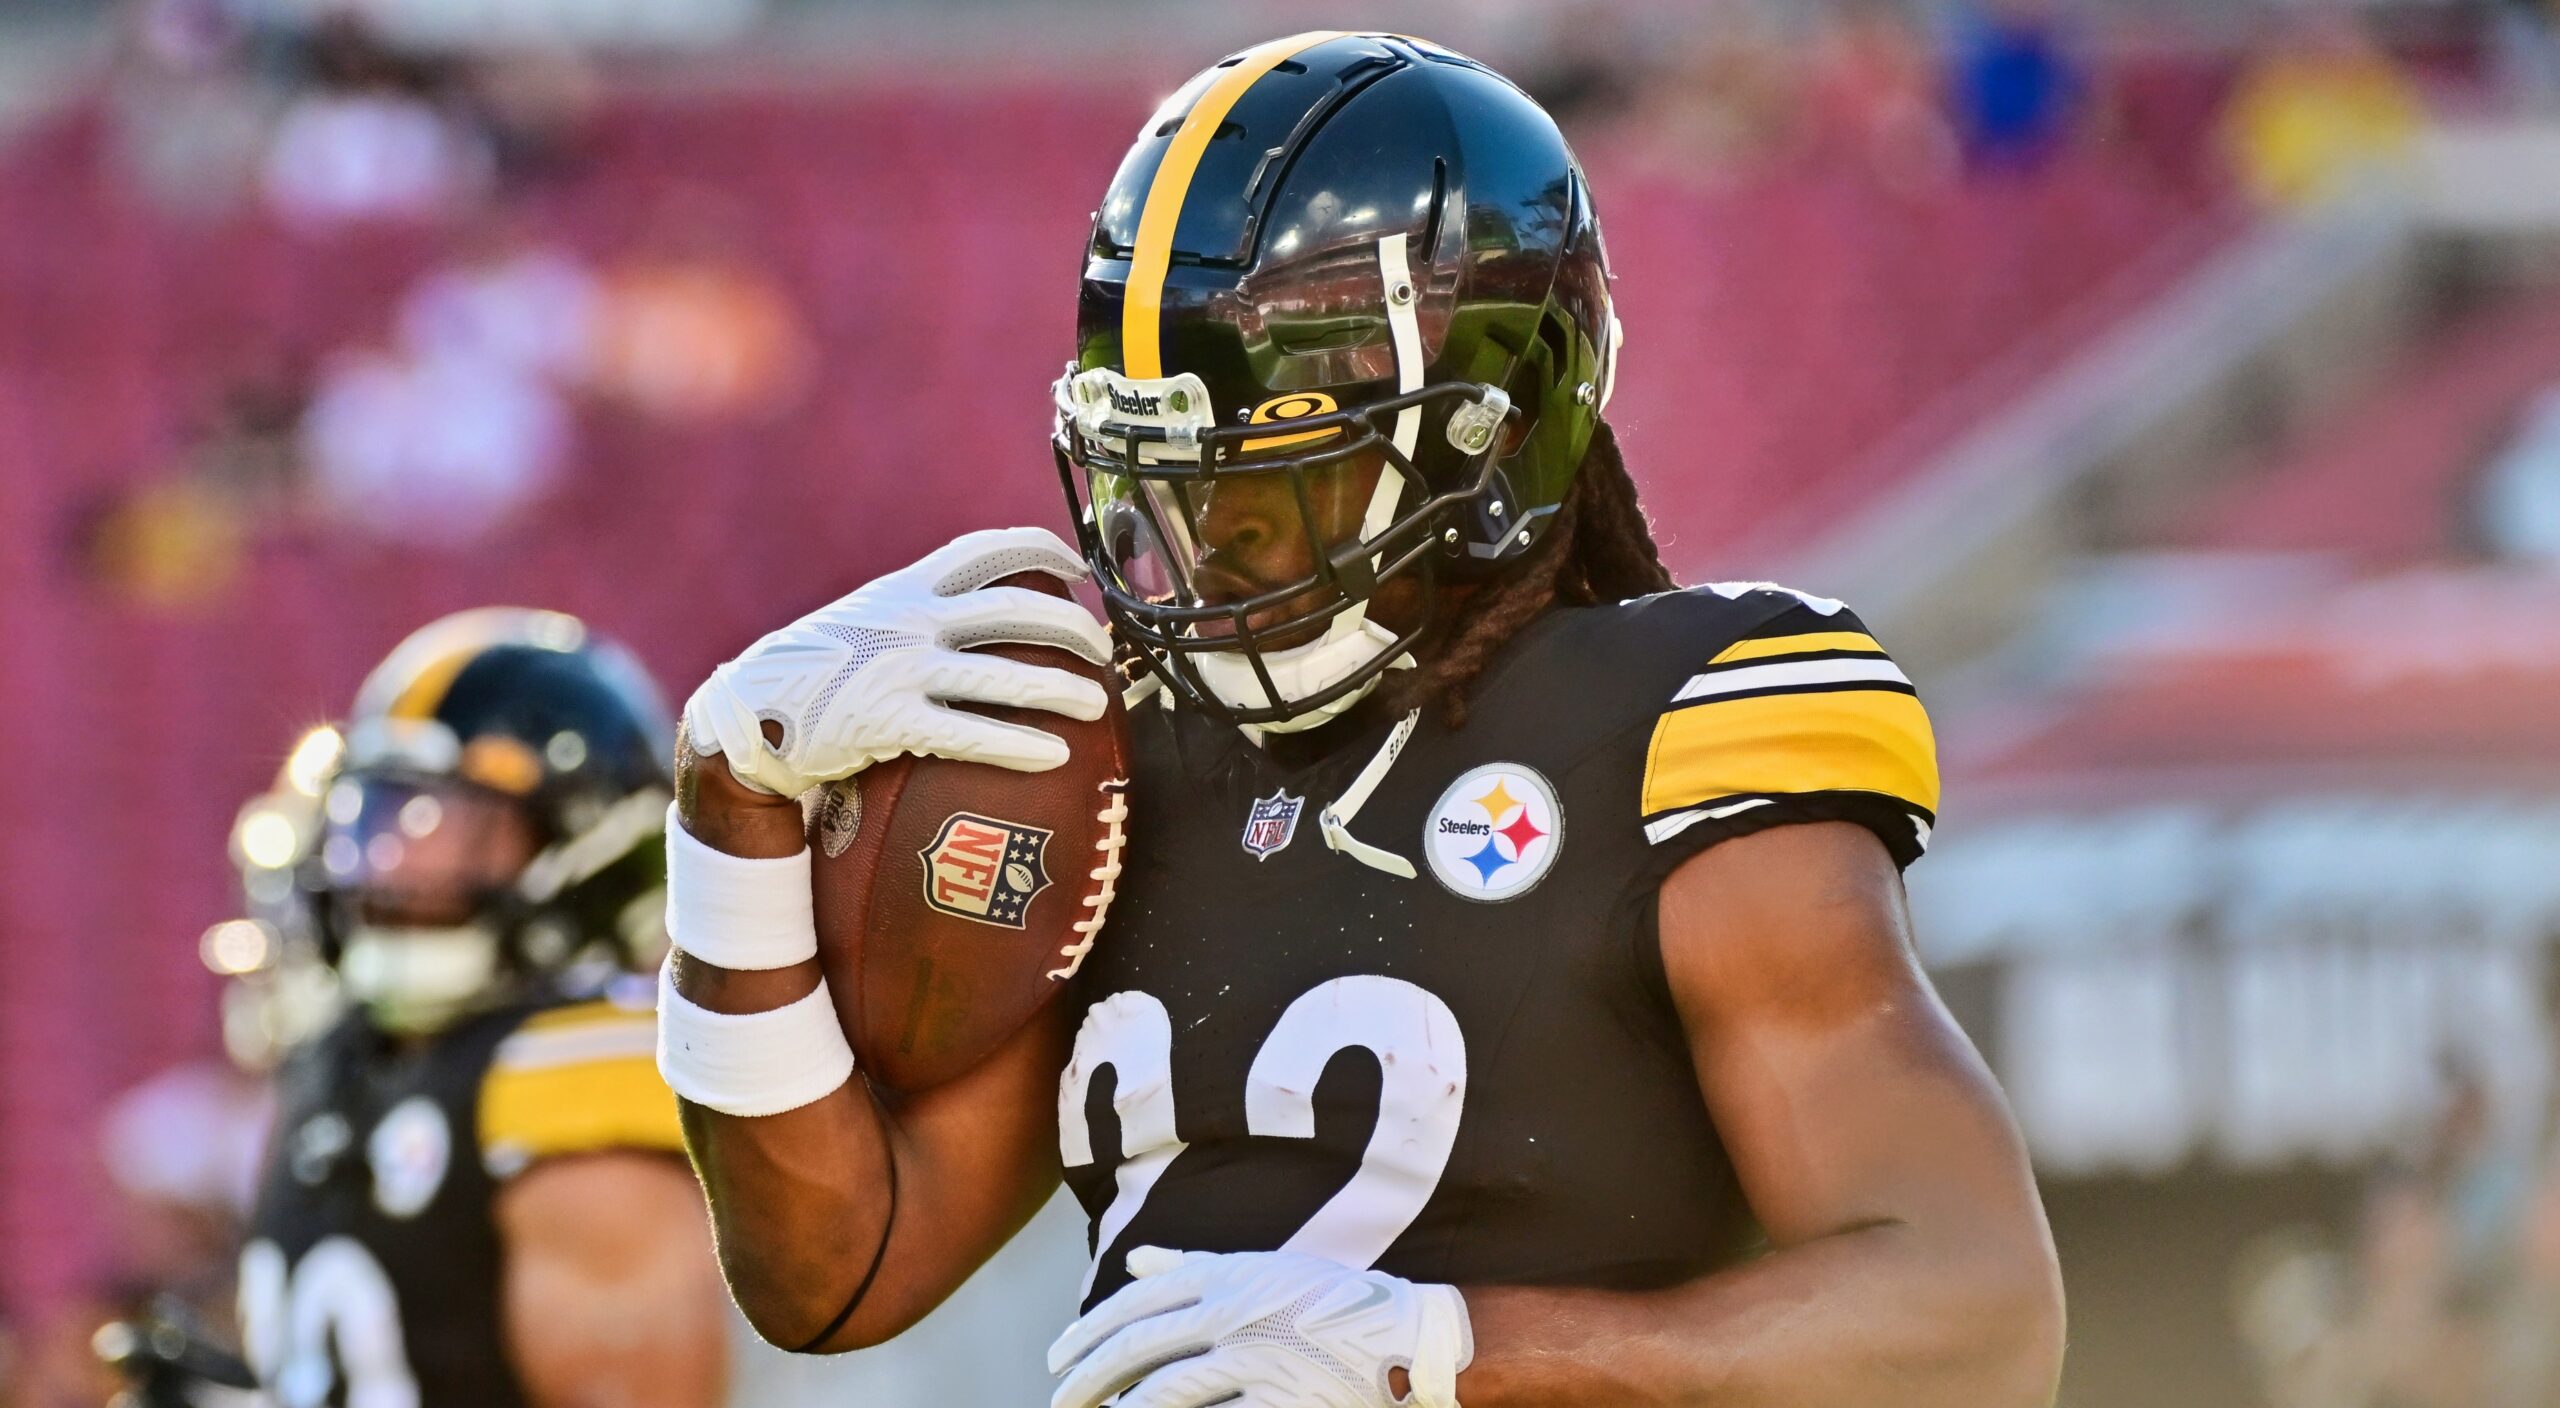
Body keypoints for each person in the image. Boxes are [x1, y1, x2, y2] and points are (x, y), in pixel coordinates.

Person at [659, 32, 2065, 1408]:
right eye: (1175, 483)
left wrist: (1445, 1357)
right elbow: (832, 1276)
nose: (1218, 540)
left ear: (1495, 427)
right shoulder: (1117, 765)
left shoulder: (1672, 721)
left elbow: (1968, 1319)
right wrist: (730, 818)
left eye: (1287, 474)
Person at [237, 608, 728, 1408]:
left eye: (441, 824)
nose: (390, 864)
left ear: (583, 846)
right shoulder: (347, 1059)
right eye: (379, 818)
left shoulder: (565, 1087)